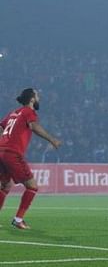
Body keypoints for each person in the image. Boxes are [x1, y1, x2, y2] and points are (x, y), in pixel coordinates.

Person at [0, 88, 62, 229]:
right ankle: (18, 219)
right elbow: (33, 126)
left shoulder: (14, 113)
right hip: (12, 152)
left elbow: (1, 127)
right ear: (32, 99)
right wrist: (52, 139)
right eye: (37, 96)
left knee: (5, 185)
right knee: (32, 186)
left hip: (1, 151)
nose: (39, 98)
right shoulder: (29, 112)